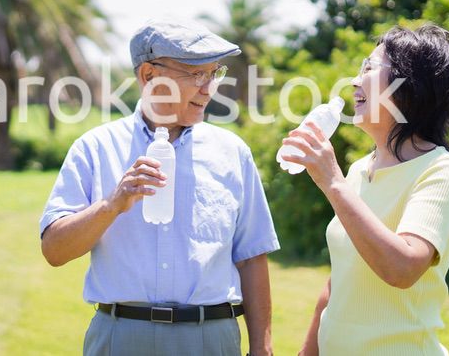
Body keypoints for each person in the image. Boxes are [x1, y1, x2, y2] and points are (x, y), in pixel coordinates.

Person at [40, 19, 280, 356]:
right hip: (121, 339)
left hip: (211, 340)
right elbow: (54, 251)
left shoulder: (232, 152)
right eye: (197, 74)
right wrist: (111, 205)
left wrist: (262, 348)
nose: (209, 88)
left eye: (214, 74)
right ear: (149, 75)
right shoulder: (95, 147)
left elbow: (252, 257)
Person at [281, 24, 449, 356]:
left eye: (369, 68)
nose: (355, 81)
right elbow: (340, 281)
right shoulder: (357, 170)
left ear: (408, 87)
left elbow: (402, 269)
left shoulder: (441, 170)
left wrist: (332, 182)